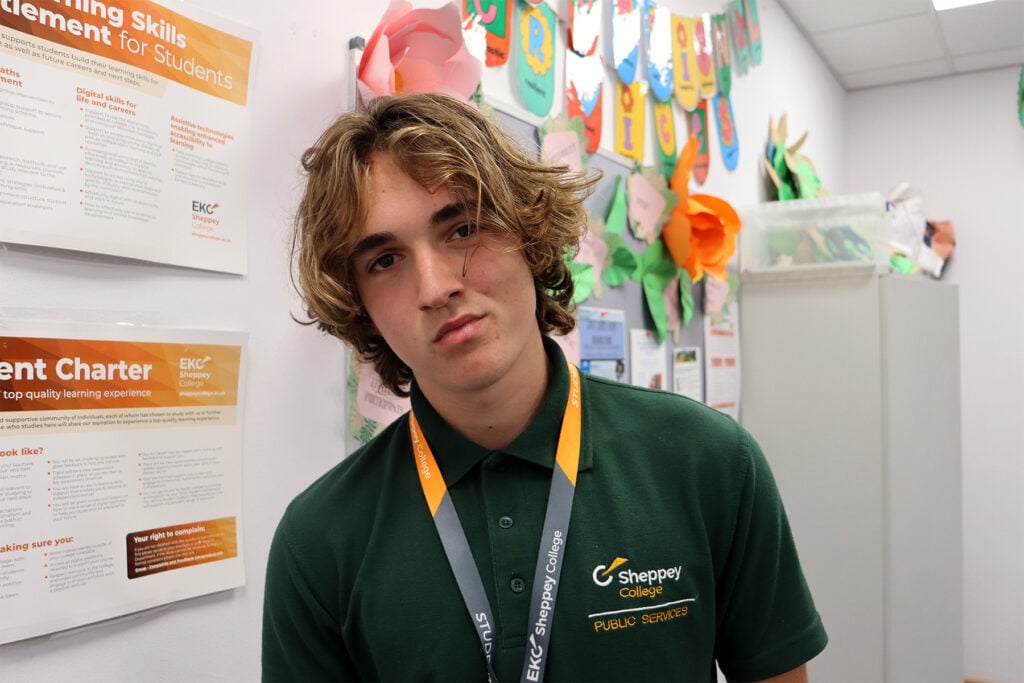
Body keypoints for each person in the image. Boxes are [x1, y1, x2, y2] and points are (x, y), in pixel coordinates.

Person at [263, 92, 827, 682]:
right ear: (359, 303)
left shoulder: (708, 460)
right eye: (384, 261)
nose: (434, 287)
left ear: (528, 232)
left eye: (463, 227)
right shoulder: (319, 541)